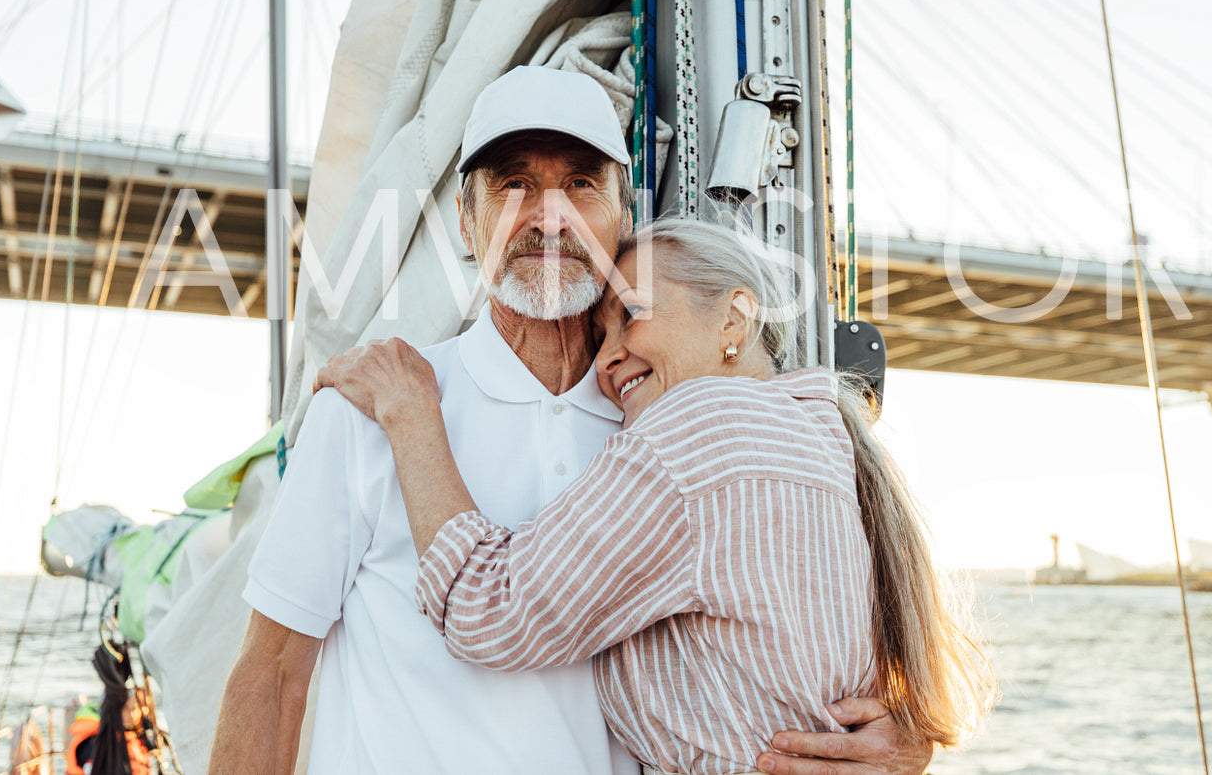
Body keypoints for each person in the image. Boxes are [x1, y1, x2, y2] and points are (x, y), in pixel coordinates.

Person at [209, 66, 931, 775]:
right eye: (513, 182)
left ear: (624, 215)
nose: (548, 212)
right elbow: (270, 675)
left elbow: (800, 629)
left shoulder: (659, 417)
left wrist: (898, 739)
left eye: (581, 183)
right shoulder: (372, 405)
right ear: (467, 221)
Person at [315, 218, 991, 775]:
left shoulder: (702, 427)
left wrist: (411, 411)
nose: (606, 360)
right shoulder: (819, 436)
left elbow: (488, 611)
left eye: (631, 315)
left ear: (734, 318)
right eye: (597, 334)